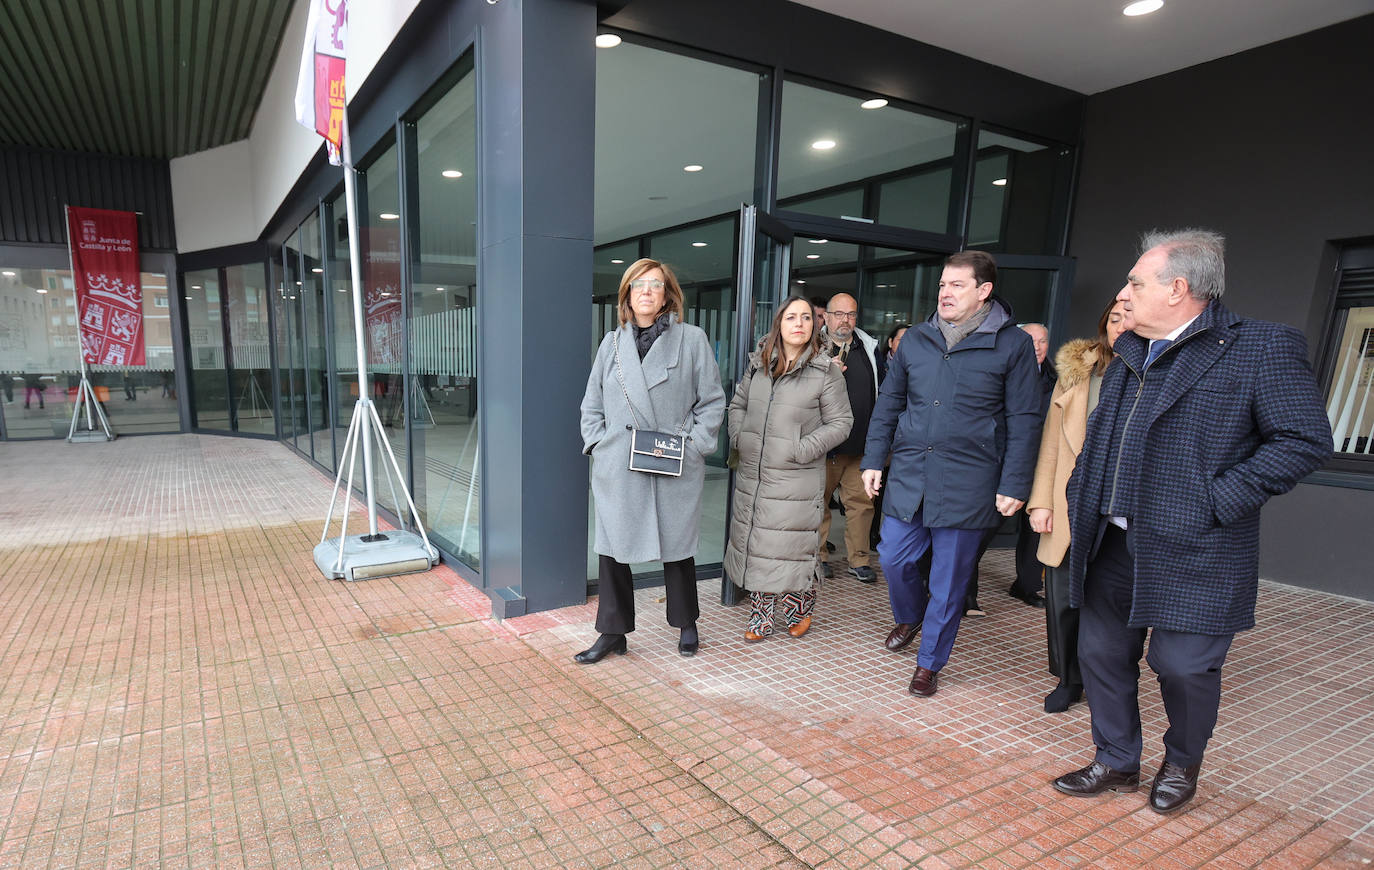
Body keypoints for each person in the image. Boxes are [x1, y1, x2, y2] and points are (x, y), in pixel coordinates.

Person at [1052, 229, 1331, 814]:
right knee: (1100, 655)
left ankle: (1181, 761)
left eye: (1135, 281)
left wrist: (1216, 501)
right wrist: (1082, 492)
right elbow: (1105, 438)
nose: (1123, 294)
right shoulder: (1132, 350)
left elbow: (1302, 442)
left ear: (1178, 288)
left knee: (1180, 666)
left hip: (1199, 547)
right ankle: (1116, 759)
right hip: (1113, 541)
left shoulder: (1259, 346)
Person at [862, 250, 1042, 697]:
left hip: (970, 481)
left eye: (957, 285)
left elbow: (1025, 418)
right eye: (943, 284)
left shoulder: (1013, 344)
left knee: (949, 581)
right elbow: (889, 404)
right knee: (894, 558)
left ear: (984, 291)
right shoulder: (918, 339)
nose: (945, 292)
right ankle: (910, 615)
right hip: (911, 474)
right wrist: (872, 459)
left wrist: (1014, 483)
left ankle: (929, 663)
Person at [577, 258, 727, 663]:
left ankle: (687, 624)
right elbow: (591, 403)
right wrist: (597, 444)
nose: (646, 290)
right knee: (611, 548)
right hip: (619, 463)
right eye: (638, 284)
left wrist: (694, 446)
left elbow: (712, 401)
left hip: (672, 460)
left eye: (655, 284)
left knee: (677, 547)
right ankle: (612, 632)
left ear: (667, 295)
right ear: (627, 293)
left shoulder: (692, 339)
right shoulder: (611, 345)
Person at [725, 296, 852, 640]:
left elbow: (841, 422)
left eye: (807, 318)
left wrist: (802, 448)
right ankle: (761, 615)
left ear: (814, 324)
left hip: (797, 475)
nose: (799, 323)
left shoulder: (824, 371)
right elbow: (737, 404)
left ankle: (800, 608)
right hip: (756, 471)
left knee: (792, 546)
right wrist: (740, 436)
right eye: (791, 317)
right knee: (759, 543)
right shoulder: (760, 365)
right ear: (779, 323)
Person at [1026, 299, 1129, 713]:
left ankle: (1105, 676)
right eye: (1114, 319)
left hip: (1122, 508)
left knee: (1111, 603)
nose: (1121, 326)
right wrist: (1041, 502)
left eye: (1130, 317)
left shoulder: (1159, 370)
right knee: (1063, 597)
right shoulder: (1080, 369)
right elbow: (1052, 440)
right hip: (1071, 500)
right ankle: (1068, 678)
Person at [818, 293, 881, 583]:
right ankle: (818, 557)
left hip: (861, 446)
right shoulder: (814, 347)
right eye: (839, 313)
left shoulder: (868, 348)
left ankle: (859, 560)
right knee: (818, 504)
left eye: (851, 314)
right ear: (827, 317)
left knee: (861, 505)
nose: (845, 320)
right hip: (826, 446)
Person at [1007, 322, 1057, 608]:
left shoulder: (1058, 377)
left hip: (1041, 462)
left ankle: (1026, 585)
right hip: (1008, 461)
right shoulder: (1004, 372)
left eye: (1043, 341)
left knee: (1034, 528)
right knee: (986, 527)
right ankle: (967, 591)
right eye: (1031, 340)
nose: (1037, 347)